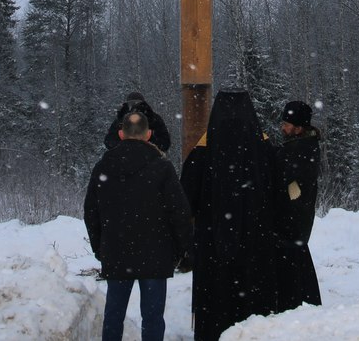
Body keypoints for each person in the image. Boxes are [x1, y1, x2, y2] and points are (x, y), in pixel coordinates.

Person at [179, 89, 280, 341]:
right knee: (254, 298)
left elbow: (186, 199)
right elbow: (279, 192)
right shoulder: (264, 149)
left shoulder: (203, 150)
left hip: (214, 243)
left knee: (216, 297)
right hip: (255, 240)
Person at [84, 110, 193, 341]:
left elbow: (91, 212)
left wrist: (100, 248)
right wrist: (179, 250)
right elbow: (180, 212)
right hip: (155, 252)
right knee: (153, 319)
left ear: (121, 134)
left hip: (116, 251)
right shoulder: (162, 168)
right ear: (149, 134)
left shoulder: (103, 167)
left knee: (113, 315)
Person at [274, 99, 322, 311]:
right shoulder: (301, 146)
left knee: (292, 261)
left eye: (286, 124)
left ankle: (295, 303)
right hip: (296, 215)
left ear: (298, 128)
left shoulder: (300, 148)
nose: (283, 128)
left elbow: (283, 173)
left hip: (293, 216)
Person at [104, 91, 172, 155]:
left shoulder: (153, 118)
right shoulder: (154, 118)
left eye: (137, 103)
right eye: (132, 103)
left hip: (131, 158)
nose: (135, 106)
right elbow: (109, 141)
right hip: (143, 158)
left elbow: (165, 143)